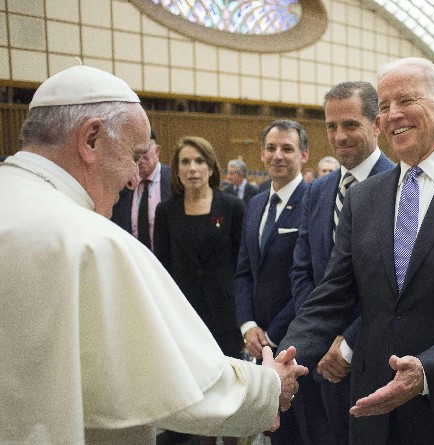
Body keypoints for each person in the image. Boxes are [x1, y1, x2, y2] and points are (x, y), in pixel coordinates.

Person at [0, 65, 307, 445]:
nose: (134, 178)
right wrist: (269, 386)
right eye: (133, 155)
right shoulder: (92, 241)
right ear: (91, 139)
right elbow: (174, 382)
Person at [279, 57, 434, 444]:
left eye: (406, 101)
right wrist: (286, 361)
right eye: (383, 105)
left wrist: (428, 370)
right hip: (371, 409)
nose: (392, 115)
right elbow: (331, 296)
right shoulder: (363, 198)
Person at [290, 80, 394, 445]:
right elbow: (303, 271)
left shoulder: (402, 187)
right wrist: (320, 338)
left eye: (350, 124)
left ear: (377, 124)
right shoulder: (317, 191)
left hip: (376, 358)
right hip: (321, 361)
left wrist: (347, 342)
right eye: (331, 126)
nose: (339, 136)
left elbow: (398, 284)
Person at [235, 120, 333, 445]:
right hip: (257, 337)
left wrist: (271, 336)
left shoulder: (314, 203)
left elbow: (310, 279)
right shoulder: (255, 204)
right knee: (274, 432)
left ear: (304, 154)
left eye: (287, 148)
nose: (278, 155)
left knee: (306, 433)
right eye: (272, 148)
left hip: (295, 341)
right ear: (262, 153)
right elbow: (244, 272)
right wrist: (248, 325)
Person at [154, 136, 248, 445]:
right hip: (187, 316)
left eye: (199, 161)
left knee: (231, 387)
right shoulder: (166, 212)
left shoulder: (232, 206)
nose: (192, 168)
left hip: (226, 312)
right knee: (200, 390)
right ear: (177, 171)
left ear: (211, 168)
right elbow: (163, 267)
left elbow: (241, 263)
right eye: (185, 162)